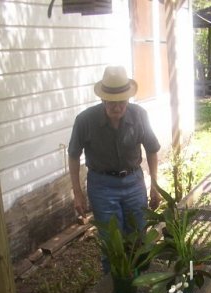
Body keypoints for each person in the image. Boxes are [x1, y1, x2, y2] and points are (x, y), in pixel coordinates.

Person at [68, 65, 161, 272]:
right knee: (111, 240)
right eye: (112, 102)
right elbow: (73, 155)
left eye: (122, 102)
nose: (118, 107)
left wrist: (155, 185)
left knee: (138, 234)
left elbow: (152, 149)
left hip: (134, 181)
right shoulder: (85, 120)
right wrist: (77, 193)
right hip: (102, 185)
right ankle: (114, 289)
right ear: (103, 99)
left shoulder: (139, 115)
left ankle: (140, 282)